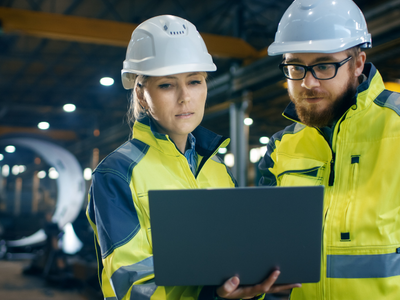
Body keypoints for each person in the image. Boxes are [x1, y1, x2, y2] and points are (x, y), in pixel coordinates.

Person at [86, 15, 299, 300]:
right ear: (140, 93)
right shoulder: (117, 174)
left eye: (195, 81)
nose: (185, 97)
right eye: (167, 85)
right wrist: (214, 295)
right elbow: (132, 287)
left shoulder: (217, 168)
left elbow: (238, 259)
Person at [258, 0, 400, 299]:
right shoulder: (281, 146)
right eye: (295, 66)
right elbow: (267, 254)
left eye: (324, 66)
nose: (308, 83)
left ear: (358, 62)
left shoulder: (396, 126)